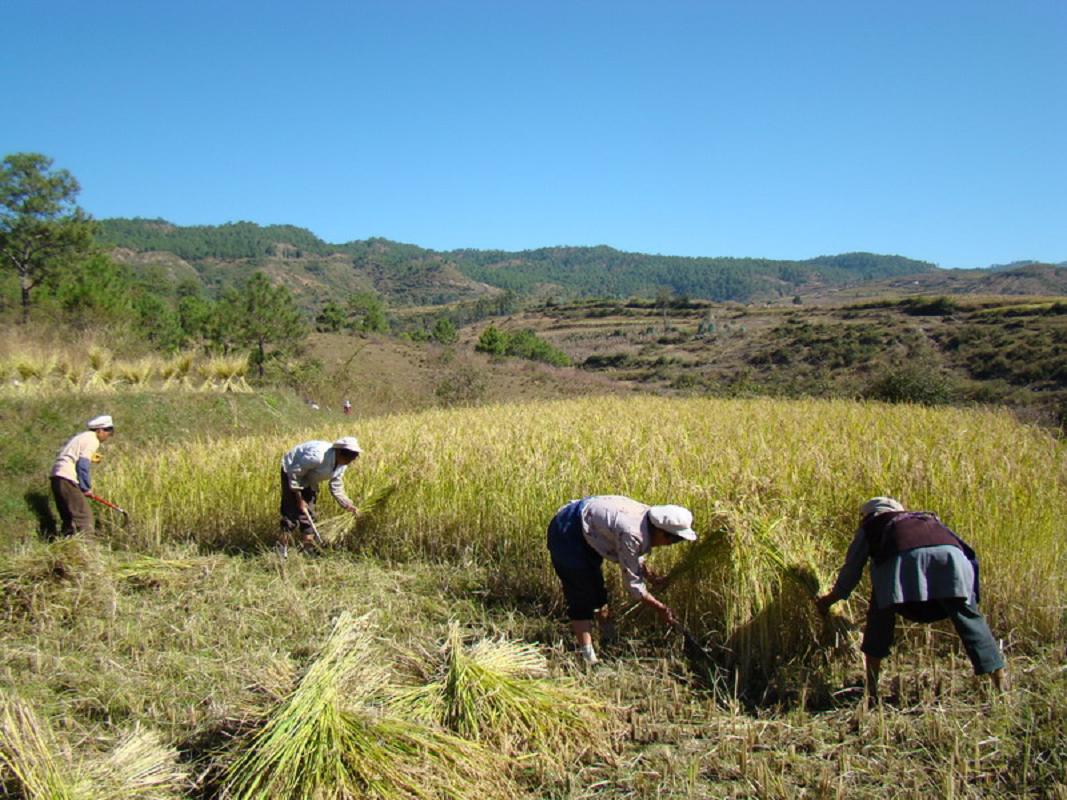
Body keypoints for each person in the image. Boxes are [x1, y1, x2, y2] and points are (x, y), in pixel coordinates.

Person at [815, 497, 1006, 700]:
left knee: (880, 617)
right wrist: (972, 595)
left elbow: (852, 569)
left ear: (867, 515)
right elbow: (965, 551)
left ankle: (871, 690)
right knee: (970, 621)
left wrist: (831, 599)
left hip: (903, 561)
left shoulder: (872, 524)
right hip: (954, 560)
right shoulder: (927, 518)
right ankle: (1000, 685)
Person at [547, 495, 697, 664]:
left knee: (597, 591)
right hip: (567, 532)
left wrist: (649, 576)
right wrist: (661, 608)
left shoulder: (648, 520)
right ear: (662, 533)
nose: (671, 544)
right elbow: (634, 586)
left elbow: (631, 555)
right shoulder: (633, 532)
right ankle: (588, 658)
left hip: (589, 532)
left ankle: (609, 639)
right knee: (581, 595)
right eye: (674, 540)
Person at [279, 437, 362, 553]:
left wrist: (347, 504)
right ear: (338, 451)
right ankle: (282, 551)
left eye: (353, 457)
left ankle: (307, 552)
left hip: (310, 478)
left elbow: (336, 485)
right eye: (348, 456)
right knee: (291, 513)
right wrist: (299, 499)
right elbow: (295, 473)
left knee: (309, 513)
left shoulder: (343, 463)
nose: (350, 460)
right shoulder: (317, 457)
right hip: (291, 471)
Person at [49, 414, 115, 535]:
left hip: (56, 476)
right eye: (108, 432)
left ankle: (67, 546)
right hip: (67, 477)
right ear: (100, 430)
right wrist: (86, 487)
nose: (108, 436)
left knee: (68, 516)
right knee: (84, 517)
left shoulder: (81, 437)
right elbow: (82, 465)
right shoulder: (93, 440)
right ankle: (87, 548)